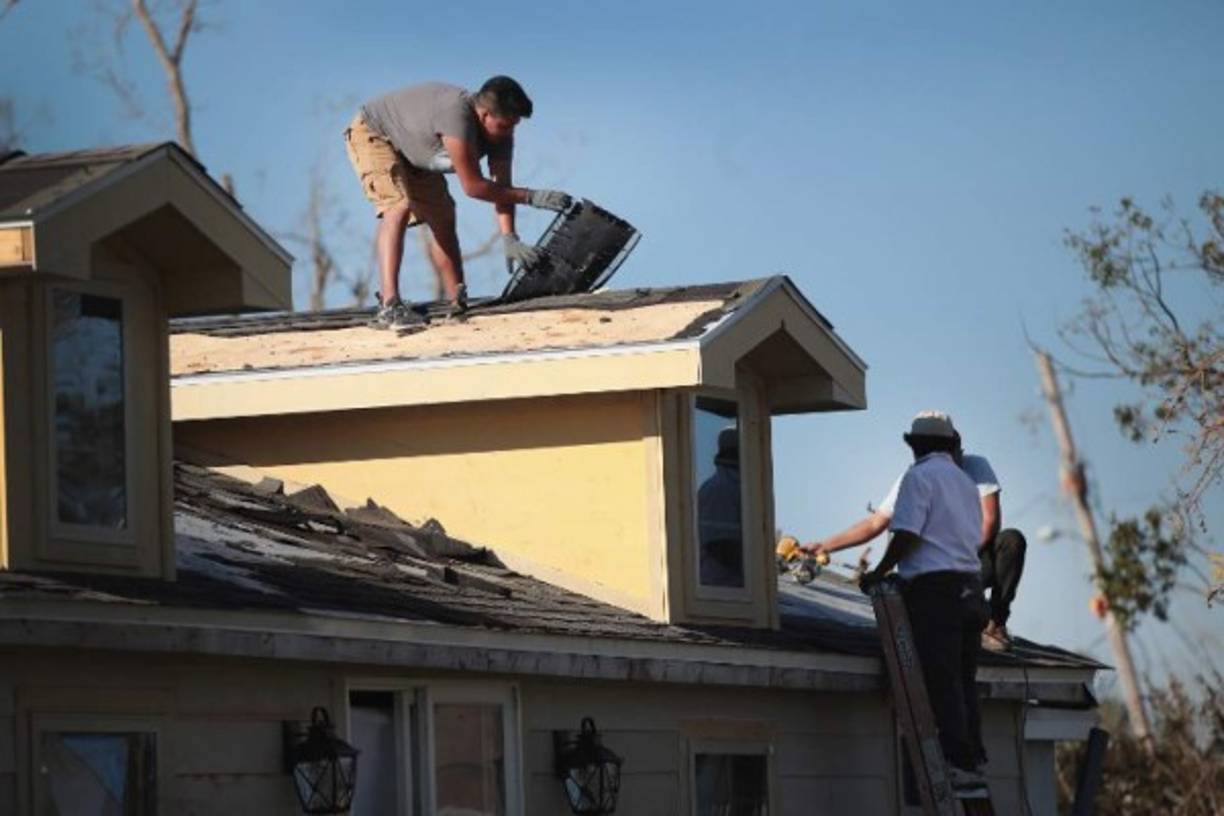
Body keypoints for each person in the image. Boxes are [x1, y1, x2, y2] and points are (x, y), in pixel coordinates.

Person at [344, 77, 573, 328]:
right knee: (398, 206)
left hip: (416, 153)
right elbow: (473, 187)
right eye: (506, 125)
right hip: (376, 133)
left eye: (514, 126)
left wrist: (509, 237)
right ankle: (390, 306)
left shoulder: (501, 135)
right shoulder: (456, 117)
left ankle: (457, 302)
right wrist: (532, 197)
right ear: (484, 114)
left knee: (443, 217)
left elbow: (502, 188)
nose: (510, 132)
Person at [804, 426, 1026, 651]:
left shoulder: (975, 467)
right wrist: (824, 546)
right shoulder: (916, 477)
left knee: (1011, 541)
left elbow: (989, 523)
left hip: (969, 564)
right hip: (934, 574)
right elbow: (875, 523)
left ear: (959, 451)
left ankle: (995, 624)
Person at [858, 411, 989, 778]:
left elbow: (908, 535)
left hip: (937, 592)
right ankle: (973, 758)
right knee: (964, 679)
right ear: (950, 444)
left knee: (940, 678)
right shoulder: (964, 482)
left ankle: (956, 760)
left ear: (916, 447)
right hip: (971, 589)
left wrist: (879, 572)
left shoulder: (918, 477)